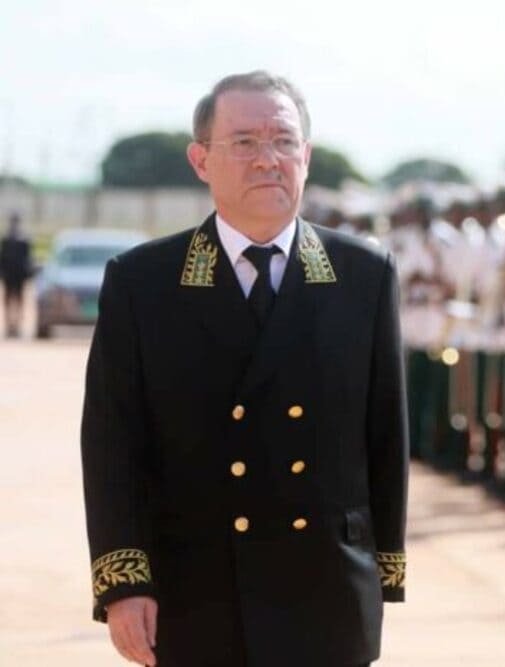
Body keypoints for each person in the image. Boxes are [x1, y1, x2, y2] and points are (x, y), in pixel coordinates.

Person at [81, 71, 408, 667]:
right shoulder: (143, 281)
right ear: (201, 160)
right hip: (196, 590)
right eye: (244, 142)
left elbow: (386, 433)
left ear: (306, 158)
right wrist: (124, 583)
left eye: (284, 141)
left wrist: (383, 572)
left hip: (327, 588)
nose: (268, 159)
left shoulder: (364, 274)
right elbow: (112, 443)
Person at [0, 212, 32, 338]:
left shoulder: (22, 240)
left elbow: (27, 259)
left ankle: (17, 325)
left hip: (18, 276)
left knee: (18, 301)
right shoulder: (7, 240)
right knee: (9, 301)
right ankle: (10, 326)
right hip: (10, 275)